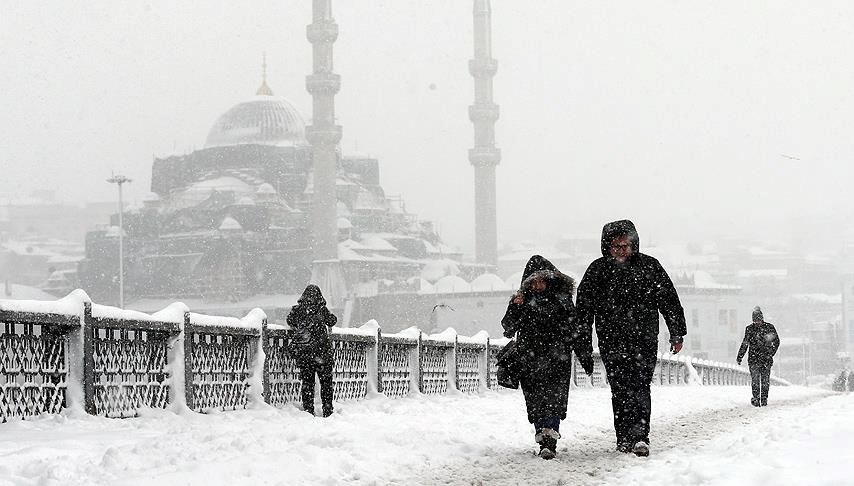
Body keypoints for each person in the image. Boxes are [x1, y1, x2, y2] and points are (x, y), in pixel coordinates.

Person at [575, 220, 686, 457]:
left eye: (625, 245)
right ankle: (623, 437)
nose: (621, 251)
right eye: (616, 246)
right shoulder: (597, 271)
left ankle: (640, 436)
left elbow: (669, 300)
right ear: (608, 247)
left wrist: (677, 332)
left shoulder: (649, 267)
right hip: (611, 340)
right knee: (620, 388)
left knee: (640, 386)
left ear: (633, 245)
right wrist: (582, 343)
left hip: (643, 339)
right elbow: (583, 311)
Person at [501, 255, 592, 460]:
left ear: (550, 280)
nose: (539, 285)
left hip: (557, 359)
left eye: (542, 280)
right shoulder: (522, 301)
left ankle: (549, 439)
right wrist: (516, 306)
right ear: (528, 283)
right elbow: (508, 328)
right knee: (535, 400)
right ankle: (542, 434)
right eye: (534, 281)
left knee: (554, 399)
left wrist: (584, 355)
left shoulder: (562, 300)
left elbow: (575, 329)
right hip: (530, 359)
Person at [287, 284, 337, 417]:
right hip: (322, 353)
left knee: (307, 384)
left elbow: (290, 321)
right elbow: (332, 321)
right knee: (326, 383)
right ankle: (327, 409)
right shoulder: (321, 309)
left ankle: (308, 410)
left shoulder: (298, 310)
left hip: (305, 354)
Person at [736, 306, 780, 407]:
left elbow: (776, 341)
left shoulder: (769, 328)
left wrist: (770, 353)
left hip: (765, 359)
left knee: (765, 380)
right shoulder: (750, 329)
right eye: (755, 321)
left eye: (758, 320)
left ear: (762, 319)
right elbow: (745, 343)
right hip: (754, 359)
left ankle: (764, 398)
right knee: (755, 380)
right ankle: (756, 398)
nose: (757, 322)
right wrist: (740, 356)